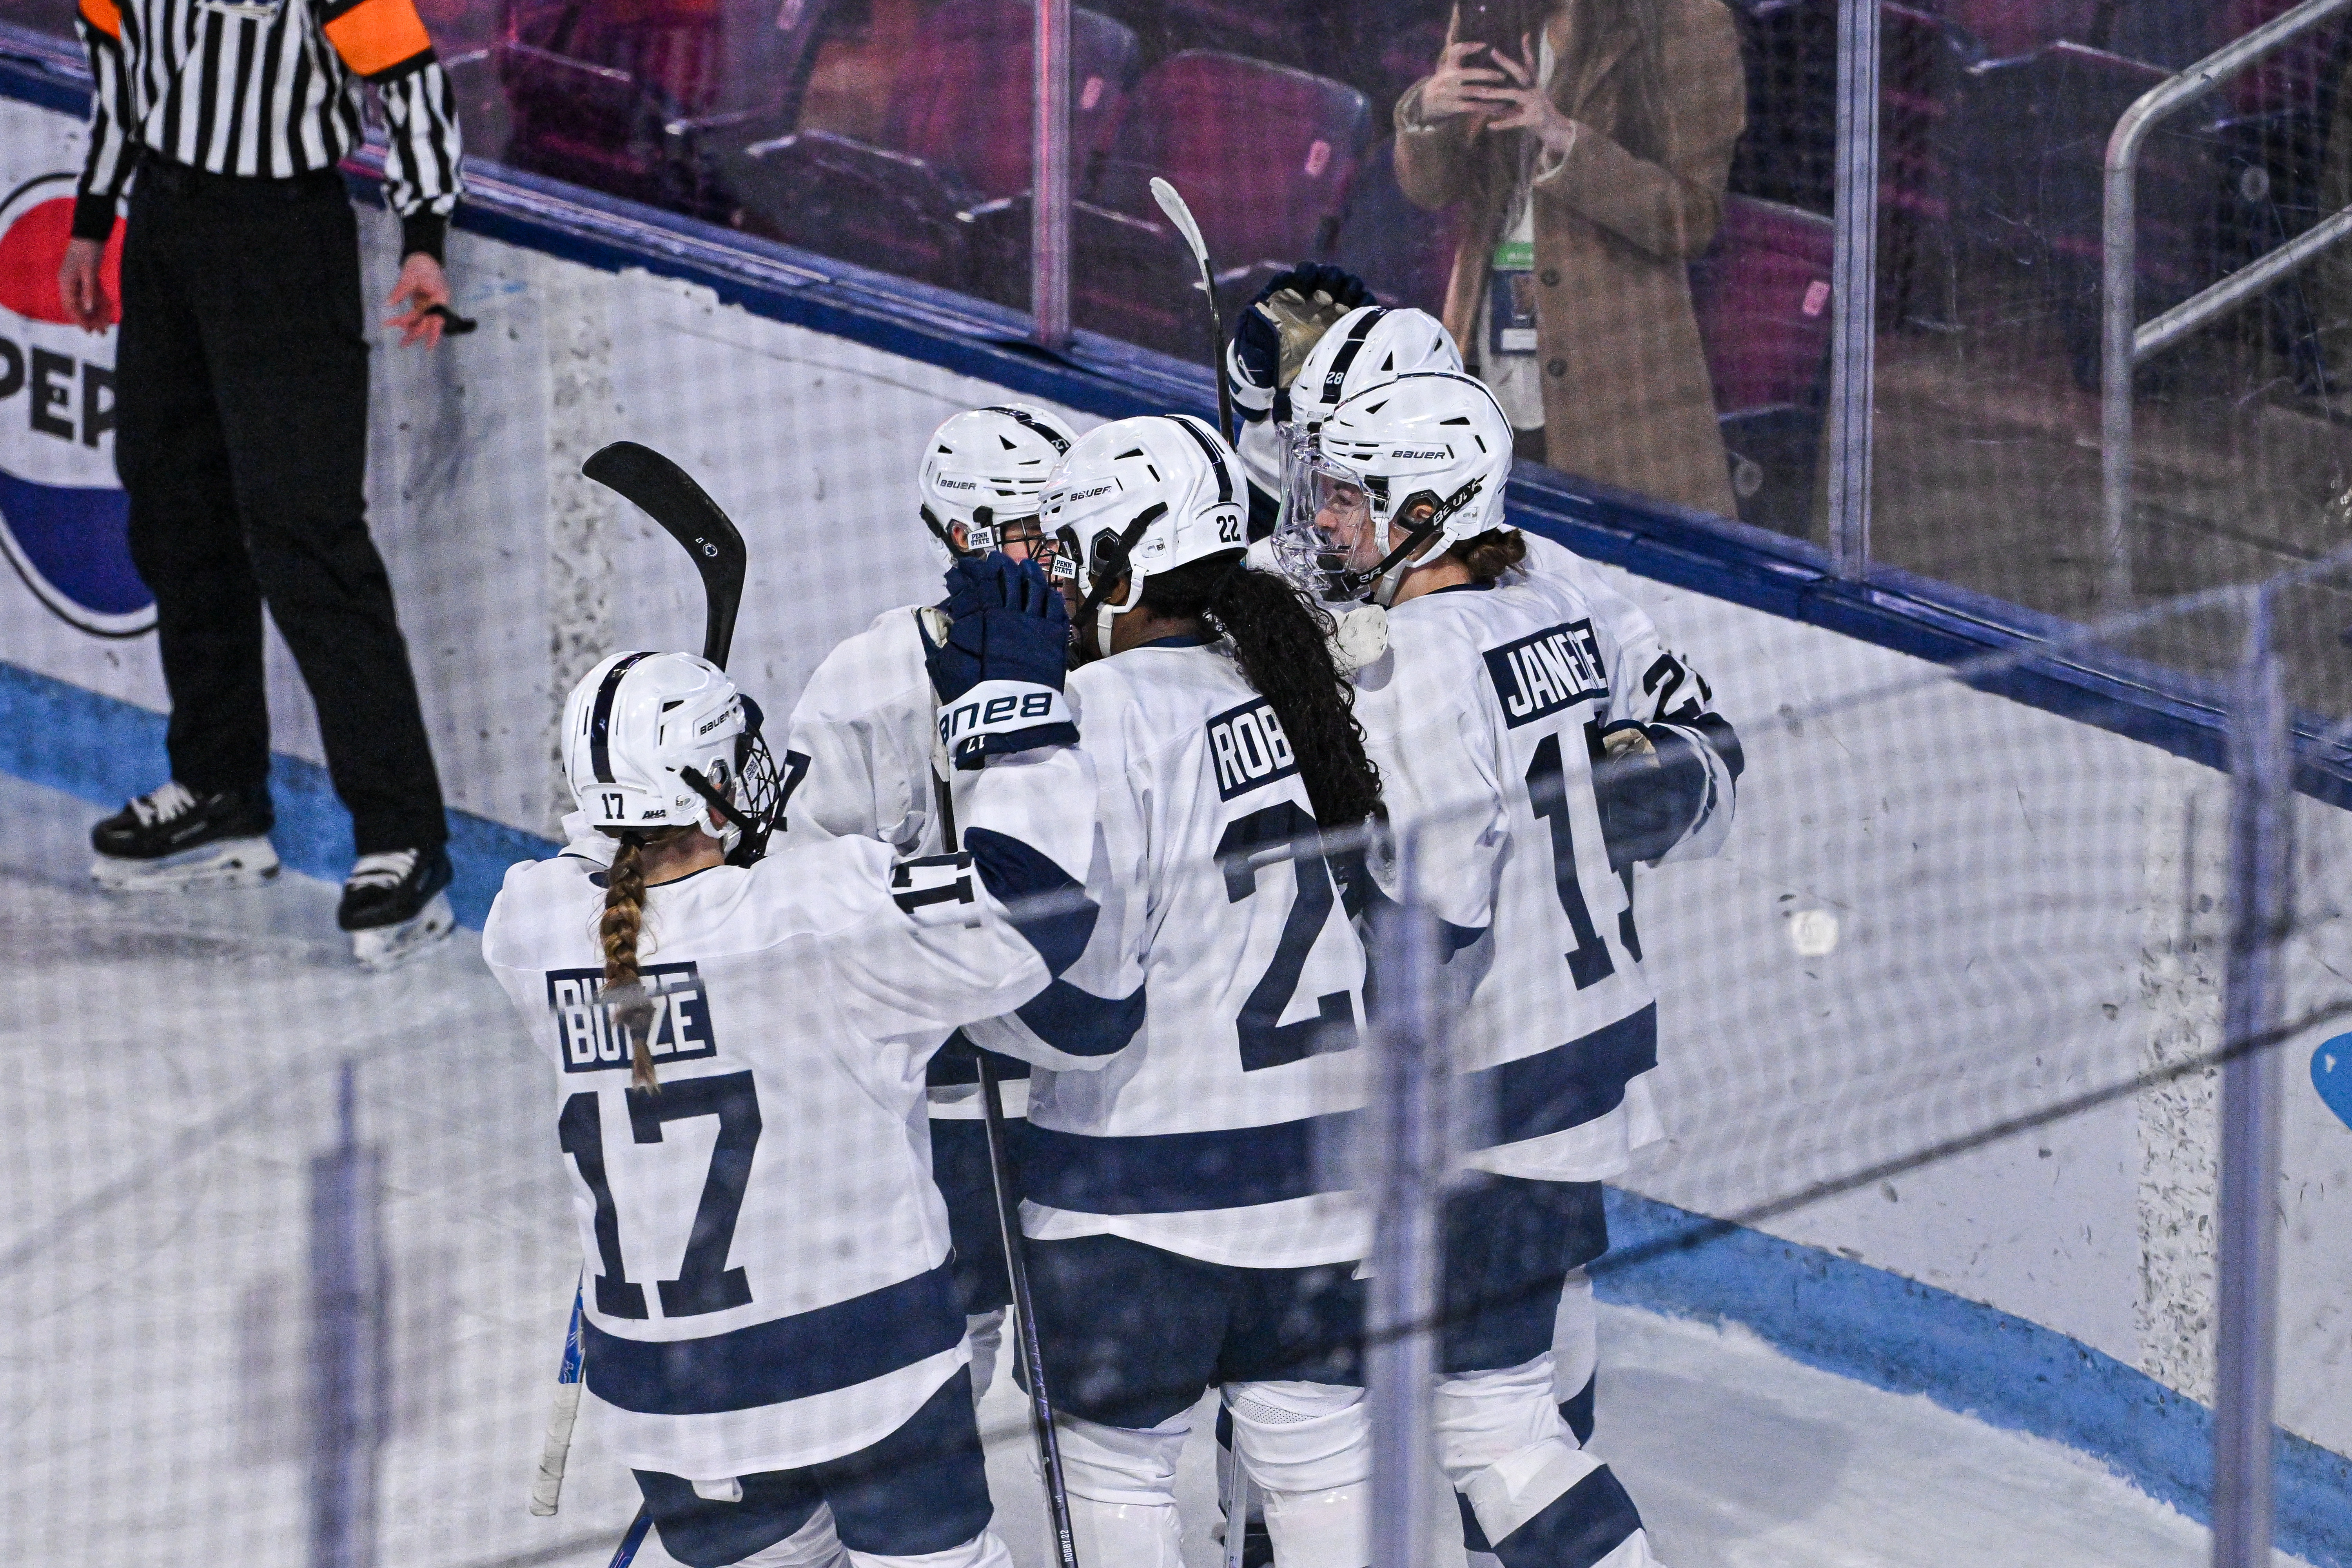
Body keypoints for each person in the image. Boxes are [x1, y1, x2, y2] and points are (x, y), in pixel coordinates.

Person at [481, 556, 1111, 1568]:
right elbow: (1033, 910)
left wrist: (696, 825)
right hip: (861, 1369)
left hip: (666, 1400)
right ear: (708, 790)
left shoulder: (531, 930)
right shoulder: (823, 913)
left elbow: (609, 880)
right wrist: (1016, 720)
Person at [1283, 370, 1741, 1567]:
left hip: (1490, 1085)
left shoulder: (1418, 665)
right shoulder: (1548, 609)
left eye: (1348, 497)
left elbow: (1435, 908)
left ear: (1427, 509)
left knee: (1484, 1424)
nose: (1326, 519)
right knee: (1506, 1387)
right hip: (1577, 1048)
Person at [965, 414, 1385, 1567]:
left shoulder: (1094, 723)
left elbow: (1079, 1016)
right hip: (1318, 1180)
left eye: (1065, 556)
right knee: (1322, 1472)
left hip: (1136, 1197)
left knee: (1124, 1484)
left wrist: (952, 992)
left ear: (1122, 560)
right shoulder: (1296, 692)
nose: (1051, 585)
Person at [64, 0, 469, 966]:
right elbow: (119, 68)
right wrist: (93, 215)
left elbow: (413, 86)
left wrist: (424, 238)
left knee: (306, 534)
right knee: (173, 513)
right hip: (166, 225)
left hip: (282, 238)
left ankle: (402, 836)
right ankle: (219, 791)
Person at [776, 401, 1080, 1408]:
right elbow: (807, 888)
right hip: (936, 1085)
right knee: (954, 1336)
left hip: (1082, 1069)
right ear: (966, 533)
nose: (1064, 555)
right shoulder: (864, 682)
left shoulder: (1098, 653)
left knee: (1089, 1367)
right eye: (1041, 529)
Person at [1392, 0, 1746, 518]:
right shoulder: (1489, 10)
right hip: (1485, 357)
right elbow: (1430, 190)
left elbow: (1688, 219)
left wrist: (1565, 141)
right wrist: (1430, 110)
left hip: (1615, 390)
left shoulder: (1689, 19)